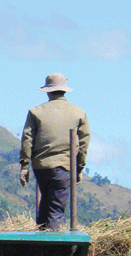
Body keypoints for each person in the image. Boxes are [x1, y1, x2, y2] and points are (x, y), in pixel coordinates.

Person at [19, 73, 90, 230]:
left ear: (48, 91)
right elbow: (84, 143)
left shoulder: (36, 111)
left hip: (41, 167)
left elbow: (27, 139)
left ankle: (41, 235)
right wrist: (79, 168)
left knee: (46, 202)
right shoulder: (79, 113)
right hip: (65, 167)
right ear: (64, 91)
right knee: (56, 208)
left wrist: (24, 165)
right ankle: (51, 246)